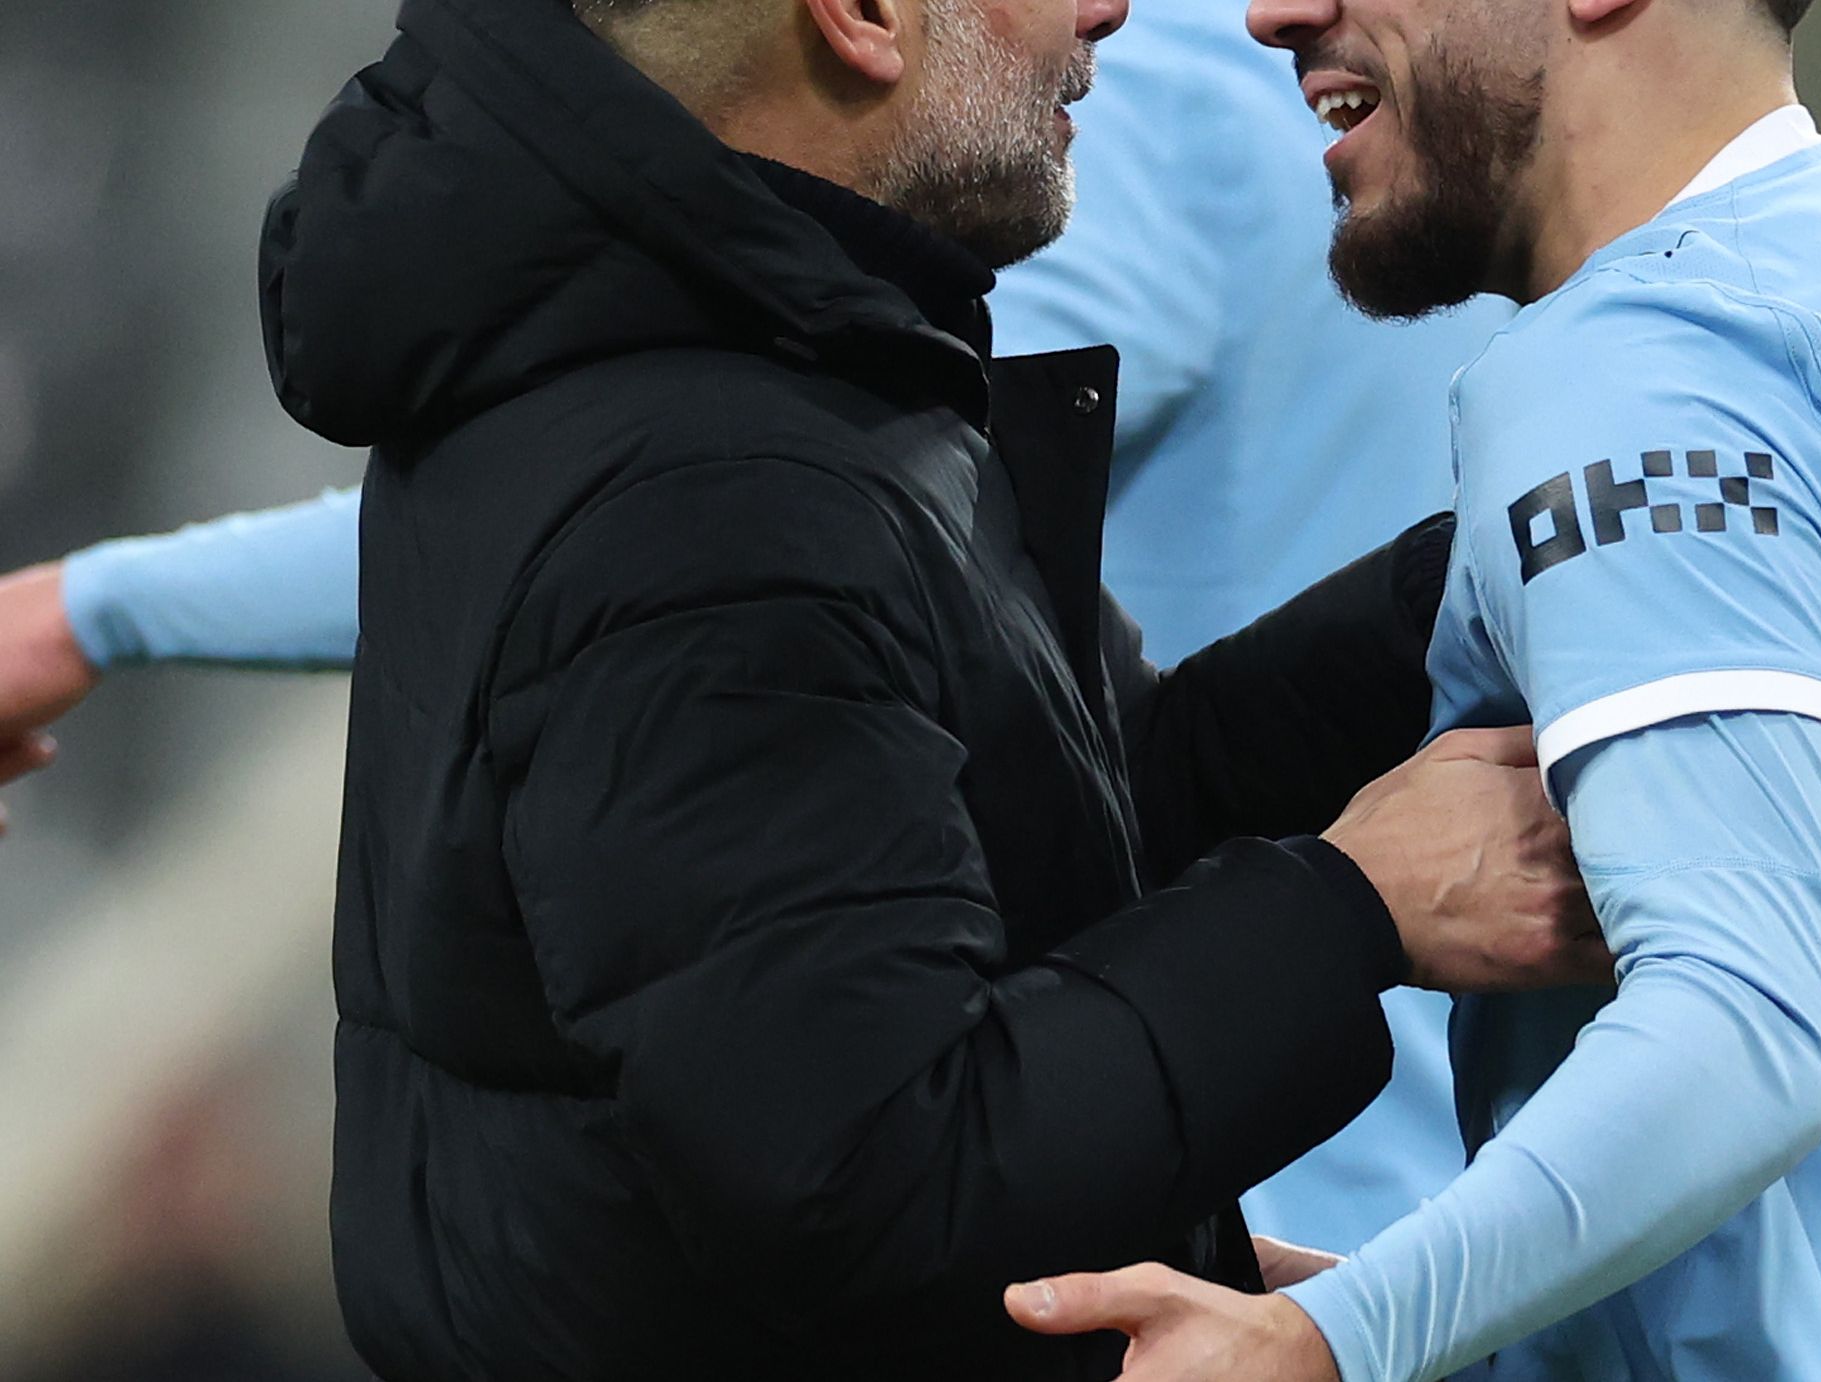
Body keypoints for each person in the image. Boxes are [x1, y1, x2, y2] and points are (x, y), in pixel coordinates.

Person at [0, 0, 1509, 1260]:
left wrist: (1498, 558)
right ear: (861, 19)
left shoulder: (818, 380)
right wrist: (1350, 903)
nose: (1107, 8)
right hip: (1236, 1190)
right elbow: (868, 1162)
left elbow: (1094, 785)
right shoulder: (716, 498)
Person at [1009, 0, 1821, 1378]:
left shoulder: (1649, 364)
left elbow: (1748, 1030)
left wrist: (1321, 1342)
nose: (1278, 13)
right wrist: (1360, 1307)